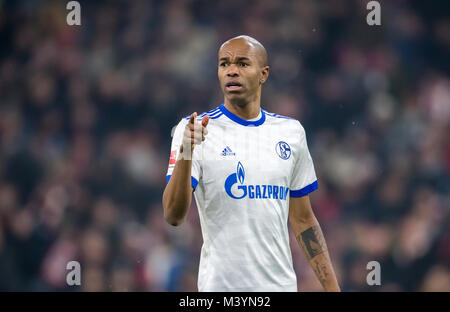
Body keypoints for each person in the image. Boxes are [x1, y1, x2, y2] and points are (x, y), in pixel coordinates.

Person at [162, 35, 340, 292]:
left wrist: (332, 288)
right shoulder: (195, 129)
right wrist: (187, 151)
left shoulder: (291, 133)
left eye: (243, 64)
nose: (232, 71)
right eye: (224, 64)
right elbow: (173, 216)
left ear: (263, 74)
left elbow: (303, 220)